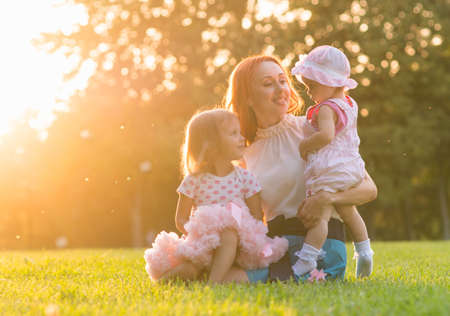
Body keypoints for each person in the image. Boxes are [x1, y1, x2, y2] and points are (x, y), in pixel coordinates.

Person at [223, 54, 378, 283]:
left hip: (320, 250)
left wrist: (327, 198)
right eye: (268, 84)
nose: (280, 89)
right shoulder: (244, 154)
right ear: (247, 98)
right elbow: (251, 216)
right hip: (278, 247)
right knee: (215, 272)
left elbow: (369, 190)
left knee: (229, 279)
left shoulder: (315, 129)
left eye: (282, 80)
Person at [144, 109, 288, 283]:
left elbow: (257, 216)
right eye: (234, 134)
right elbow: (181, 219)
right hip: (203, 243)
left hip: (236, 245)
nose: (242, 138)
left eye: (239, 132)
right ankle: (166, 281)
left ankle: (214, 283)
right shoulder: (194, 180)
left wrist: (238, 228)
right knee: (189, 270)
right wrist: (203, 234)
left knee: (228, 235)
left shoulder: (245, 178)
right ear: (211, 145)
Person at [289, 45, 374, 278]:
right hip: (351, 166)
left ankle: (306, 260)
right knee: (349, 212)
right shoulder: (349, 103)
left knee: (321, 217)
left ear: (329, 81)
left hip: (331, 168)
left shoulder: (326, 108)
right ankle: (365, 251)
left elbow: (326, 136)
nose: (309, 92)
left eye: (312, 86)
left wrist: (305, 145)